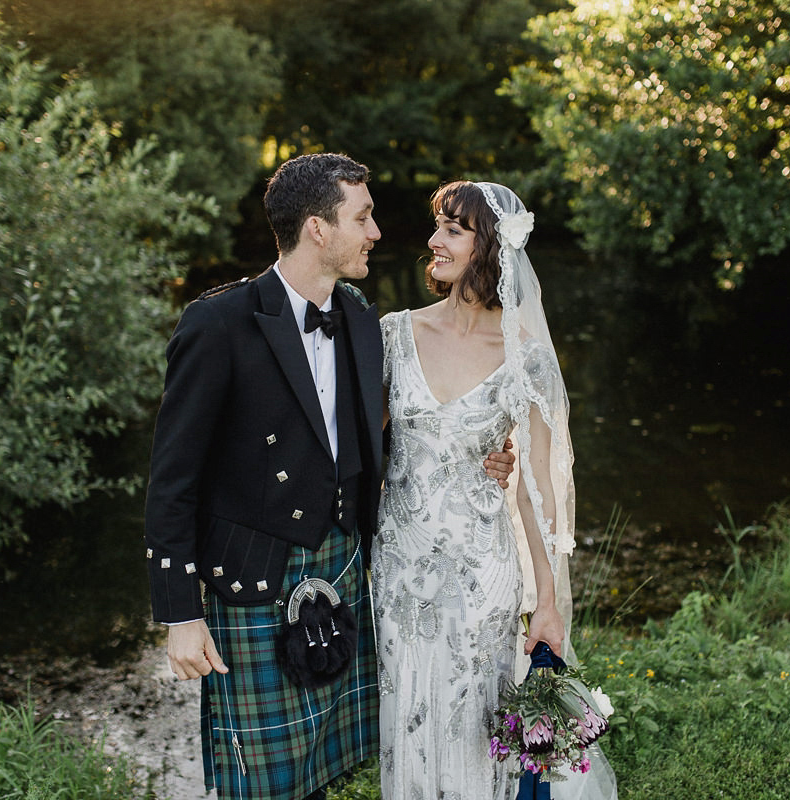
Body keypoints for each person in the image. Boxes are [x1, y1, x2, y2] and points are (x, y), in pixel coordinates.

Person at [142, 154, 513, 800]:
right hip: (253, 578)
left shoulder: (363, 319)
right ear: (318, 228)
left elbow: (396, 425)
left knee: (322, 771)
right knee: (262, 784)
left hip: (340, 565)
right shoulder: (219, 323)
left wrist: (484, 448)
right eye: (362, 217)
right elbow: (173, 479)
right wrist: (180, 613)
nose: (376, 232)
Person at [372, 181, 616, 799]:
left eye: (453, 229)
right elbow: (357, 452)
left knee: (473, 733)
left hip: (483, 576)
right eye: (437, 226)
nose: (433, 241)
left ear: (488, 249)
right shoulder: (393, 334)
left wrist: (550, 601)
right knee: (408, 723)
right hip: (398, 573)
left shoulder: (524, 355)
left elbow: (537, 489)